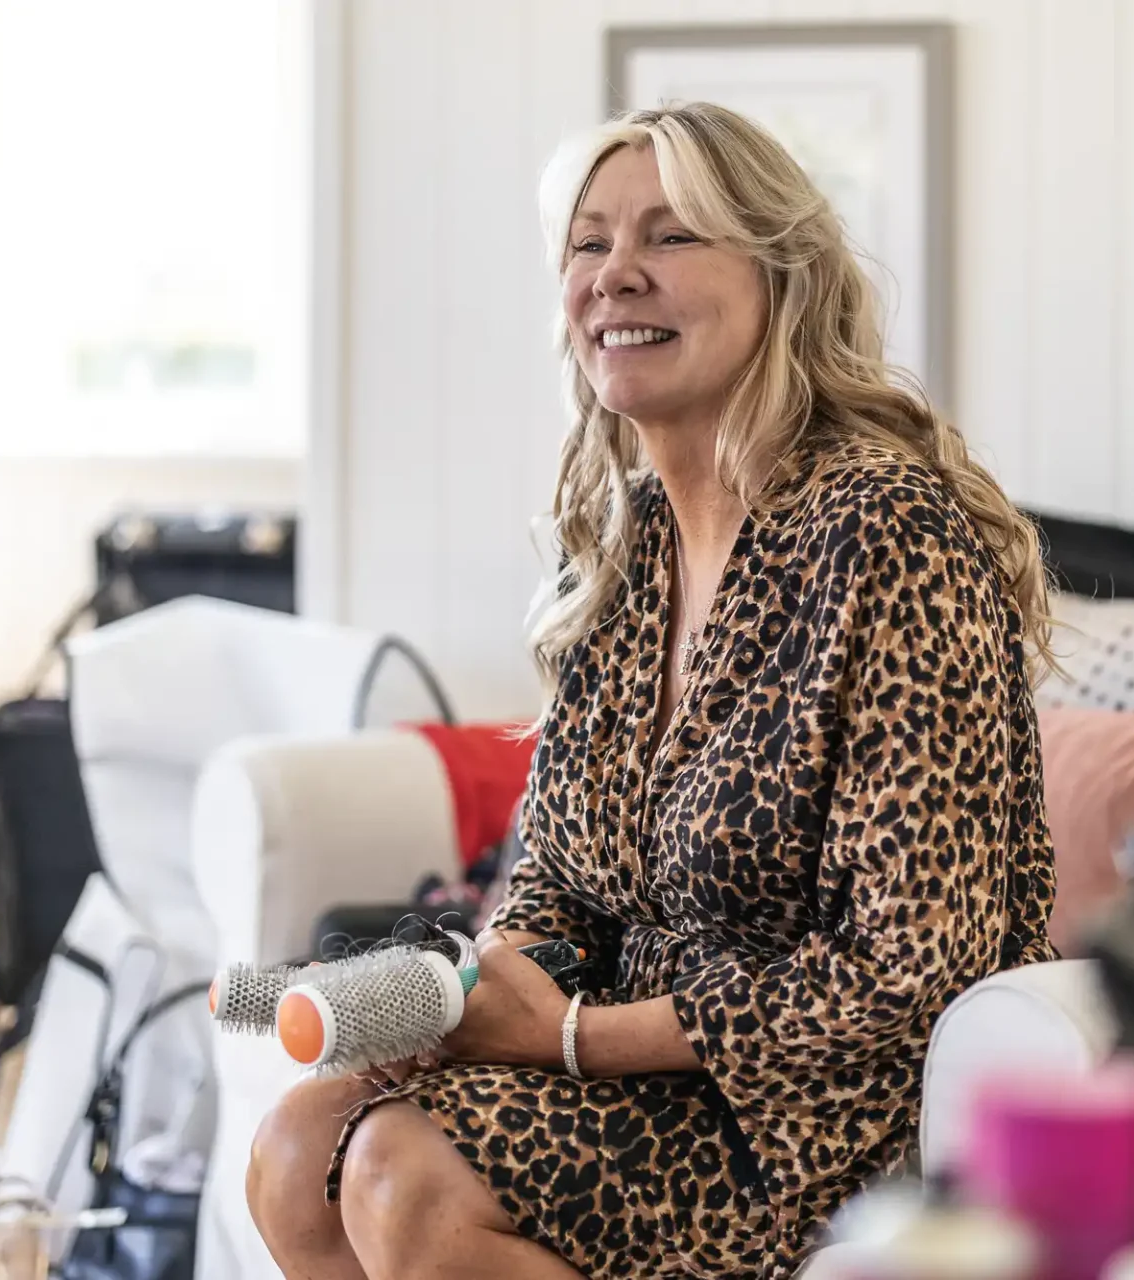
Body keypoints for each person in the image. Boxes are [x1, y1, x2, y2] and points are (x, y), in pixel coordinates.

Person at [246, 101, 1058, 1280]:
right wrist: (468, 995)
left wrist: (572, 1036)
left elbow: (911, 965)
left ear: (781, 280)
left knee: (400, 1171)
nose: (617, 272)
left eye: (673, 237)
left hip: (815, 1117)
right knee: (295, 1142)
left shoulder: (885, 532)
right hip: (631, 1083)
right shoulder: (627, 549)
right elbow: (567, 886)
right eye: (588, 244)